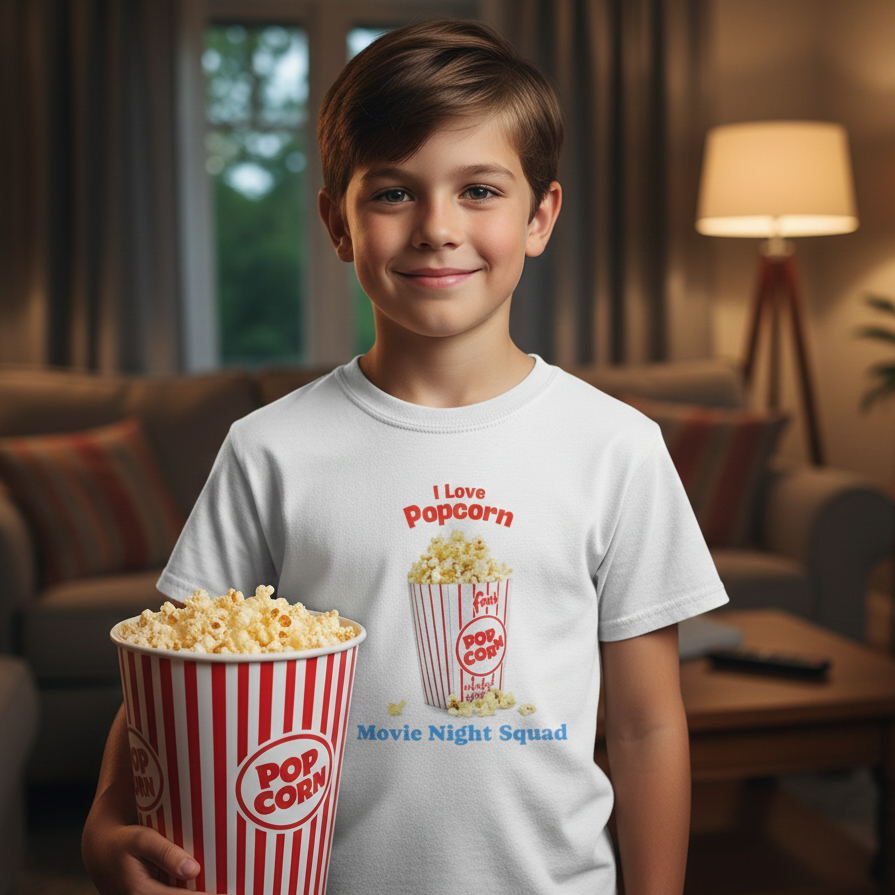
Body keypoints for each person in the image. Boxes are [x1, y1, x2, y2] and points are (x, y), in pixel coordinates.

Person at [82, 18, 727, 895]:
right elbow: (171, 667)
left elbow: (649, 725)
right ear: (336, 223)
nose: (435, 228)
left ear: (539, 215)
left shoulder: (615, 447)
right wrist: (104, 820)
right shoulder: (269, 449)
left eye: (479, 191)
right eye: (392, 193)